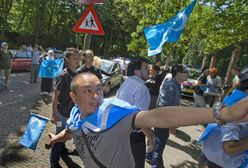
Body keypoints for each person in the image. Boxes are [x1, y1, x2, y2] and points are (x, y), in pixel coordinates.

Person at [48, 72, 248, 168]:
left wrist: (222, 114)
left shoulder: (112, 113)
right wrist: (56, 138)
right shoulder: (75, 114)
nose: (95, 96)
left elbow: (156, 116)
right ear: (74, 97)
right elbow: (72, 130)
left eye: (99, 89)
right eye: (87, 91)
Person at [200, 65, 248, 168]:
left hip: (209, 153)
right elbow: (230, 147)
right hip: (220, 162)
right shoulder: (242, 105)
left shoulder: (235, 96)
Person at [117, 57, 154, 168]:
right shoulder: (141, 88)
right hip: (134, 138)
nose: (149, 70)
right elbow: (141, 120)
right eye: (146, 67)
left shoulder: (126, 83)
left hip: (121, 133)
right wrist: (151, 139)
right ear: (137, 71)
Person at [150, 64, 188, 168]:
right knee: (159, 145)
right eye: (186, 72)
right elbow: (164, 107)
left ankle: (149, 155)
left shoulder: (175, 84)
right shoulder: (171, 85)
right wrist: (171, 123)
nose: (188, 74)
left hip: (164, 121)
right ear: (179, 73)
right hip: (163, 121)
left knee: (158, 142)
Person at [50, 49, 80, 168]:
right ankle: (54, 162)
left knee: (65, 134)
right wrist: (54, 114)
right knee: (58, 137)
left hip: (71, 114)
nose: (77, 60)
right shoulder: (63, 75)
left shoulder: (77, 74)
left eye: (78, 58)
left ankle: (62, 150)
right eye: (74, 58)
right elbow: (55, 95)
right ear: (67, 60)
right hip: (60, 114)